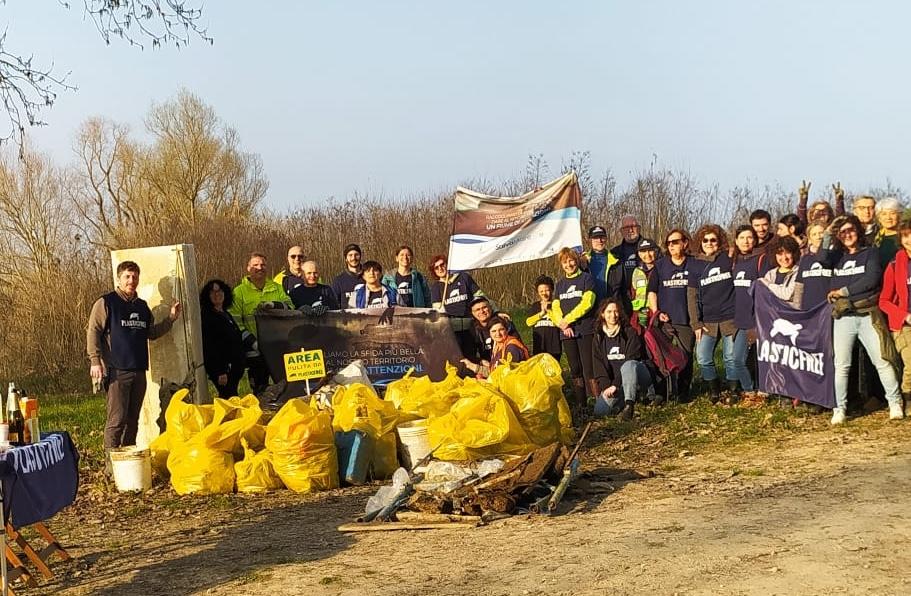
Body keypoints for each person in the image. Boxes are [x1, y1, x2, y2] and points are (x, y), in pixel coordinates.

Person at [87, 260, 182, 451]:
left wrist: (171, 319)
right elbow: (93, 331)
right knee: (117, 420)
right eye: (127, 277)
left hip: (139, 370)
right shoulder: (106, 302)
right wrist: (95, 361)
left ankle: (129, 459)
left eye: (135, 277)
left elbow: (151, 333)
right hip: (117, 370)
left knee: (133, 420)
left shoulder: (142, 307)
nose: (131, 280)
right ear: (119, 279)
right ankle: (112, 466)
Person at [821, 215, 903, 424]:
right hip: (843, 318)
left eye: (851, 230)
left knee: (882, 361)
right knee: (842, 365)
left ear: (858, 231)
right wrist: (829, 231)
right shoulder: (836, 256)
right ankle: (839, 409)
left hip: (867, 314)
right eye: (843, 232)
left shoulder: (870, 253)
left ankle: (895, 402)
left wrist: (843, 291)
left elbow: (872, 278)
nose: (847, 235)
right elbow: (821, 259)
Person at [688, 224, 750, 402]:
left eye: (713, 240)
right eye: (705, 240)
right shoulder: (695, 265)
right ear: (700, 242)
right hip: (707, 321)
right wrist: (696, 323)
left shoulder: (729, 258)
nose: (709, 243)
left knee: (730, 357)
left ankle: (733, 389)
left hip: (730, 318)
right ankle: (714, 389)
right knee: (702, 357)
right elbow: (691, 297)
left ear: (719, 241)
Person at [229, 252, 291, 395]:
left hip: (277, 347)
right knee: (260, 390)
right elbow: (235, 323)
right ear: (248, 268)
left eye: (262, 264)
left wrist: (273, 304)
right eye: (255, 265)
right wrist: (252, 342)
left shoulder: (276, 287)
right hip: (254, 350)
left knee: (285, 387)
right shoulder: (239, 292)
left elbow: (290, 307)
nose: (259, 268)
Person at [647, 228, 697, 401]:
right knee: (661, 356)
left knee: (686, 356)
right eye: (668, 243)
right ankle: (664, 391)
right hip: (664, 320)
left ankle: (683, 391)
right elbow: (651, 291)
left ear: (685, 242)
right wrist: (656, 312)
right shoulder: (660, 266)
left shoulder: (694, 263)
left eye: (675, 242)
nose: (671, 246)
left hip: (686, 319)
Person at [552, 247, 598, 418]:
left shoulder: (587, 279)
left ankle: (596, 401)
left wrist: (569, 319)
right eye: (565, 262)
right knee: (575, 368)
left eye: (571, 260)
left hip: (585, 329)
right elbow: (555, 307)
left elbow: (588, 302)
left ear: (577, 261)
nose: (569, 264)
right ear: (561, 265)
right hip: (567, 332)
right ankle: (581, 404)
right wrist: (562, 324)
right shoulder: (560, 284)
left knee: (589, 367)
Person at [591, 298, 654, 421]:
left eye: (616, 311)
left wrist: (615, 384)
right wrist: (607, 388)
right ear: (602, 314)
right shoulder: (598, 338)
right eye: (609, 312)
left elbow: (632, 359)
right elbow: (598, 367)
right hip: (616, 385)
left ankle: (630, 404)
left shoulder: (630, 332)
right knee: (600, 411)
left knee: (628, 365)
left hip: (638, 377)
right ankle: (622, 403)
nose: (613, 315)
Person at [878, 217, 911, 409]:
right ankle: (907, 398)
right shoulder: (894, 265)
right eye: (904, 236)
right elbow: (883, 301)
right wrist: (904, 315)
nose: (908, 240)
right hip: (903, 325)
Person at [428, 254, 486, 356]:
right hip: (453, 331)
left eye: (442, 265)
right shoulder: (436, 288)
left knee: (477, 356)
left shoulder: (464, 277)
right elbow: (438, 312)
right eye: (436, 268)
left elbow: (481, 298)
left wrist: (496, 312)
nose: (440, 269)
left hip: (472, 326)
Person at [199, 279, 245, 398]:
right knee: (228, 399)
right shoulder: (208, 317)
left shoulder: (225, 313)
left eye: (219, 291)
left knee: (232, 399)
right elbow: (210, 345)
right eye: (212, 292)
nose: (217, 295)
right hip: (222, 371)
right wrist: (220, 370)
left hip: (233, 369)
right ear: (207, 296)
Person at [732, 225, 759, 397]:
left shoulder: (760, 260)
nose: (746, 241)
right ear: (736, 241)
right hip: (739, 320)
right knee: (737, 359)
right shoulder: (734, 262)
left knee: (757, 360)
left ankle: (760, 390)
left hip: (756, 319)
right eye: (742, 237)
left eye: (749, 237)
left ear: (754, 240)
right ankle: (749, 390)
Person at [461, 316, 529, 377]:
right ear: (489, 333)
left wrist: (473, 367)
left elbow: (502, 376)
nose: (498, 334)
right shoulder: (497, 345)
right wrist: (471, 365)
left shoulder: (512, 348)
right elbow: (494, 372)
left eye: (501, 329)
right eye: (493, 331)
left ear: (507, 330)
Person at [465, 296, 517, 364]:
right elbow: (469, 353)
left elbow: (516, 344)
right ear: (473, 313)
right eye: (477, 310)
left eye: (484, 307)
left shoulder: (503, 322)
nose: (482, 311)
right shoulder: (473, 329)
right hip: (487, 365)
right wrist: (480, 361)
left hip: (507, 362)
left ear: (490, 308)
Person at [580, 225, 622, 305]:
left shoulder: (616, 261)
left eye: (602, 237)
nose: (599, 240)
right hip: (589, 309)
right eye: (595, 238)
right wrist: (580, 265)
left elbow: (621, 289)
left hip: (609, 309)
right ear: (590, 240)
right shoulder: (583, 261)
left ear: (606, 239)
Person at [795, 222, 832, 310]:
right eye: (814, 234)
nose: (818, 237)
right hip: (808, 309)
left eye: (821, 233)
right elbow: (799, 286)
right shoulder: (805, 259)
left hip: (827, 308)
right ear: (810, 239)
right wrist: (797, 308)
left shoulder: (835, 256)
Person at [758, 236, 803, 308]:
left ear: (794, 253)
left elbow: (787, 295)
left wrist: (768, 285)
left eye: (788, 253)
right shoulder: (770, 274)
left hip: (791, 315)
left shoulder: (799, 272)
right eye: (780, 254)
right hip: (772, 315)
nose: (784, 258)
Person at [525, 275, 562, 362]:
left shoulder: (556, 304)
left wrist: (548, 310)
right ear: (538, 292)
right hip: (539, 345)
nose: (544, 293)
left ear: (552, 290)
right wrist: (541, 314)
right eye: (541, 291)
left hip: (554, 346)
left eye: (547, 290)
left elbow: (559, 322)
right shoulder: (535, 306)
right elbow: (528, 322)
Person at [629, 238, 659, 327]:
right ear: (639, 254)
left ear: (655, 251)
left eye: (650, 250)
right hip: (639, 314)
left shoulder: (661, 269)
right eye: (643, 251)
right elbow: (632, 293)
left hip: (655, 312)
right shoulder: (636, 271)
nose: (647, 254)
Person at [611, 215, 644, 288]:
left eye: (633, 226)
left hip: (646, 296)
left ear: (639, 228)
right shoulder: (614, 253)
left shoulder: (652, 250)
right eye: (627, 227)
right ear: (621, 231)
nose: (631, 230)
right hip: (623, 297)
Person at [874, 197, 902, 265]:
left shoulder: (905, 236)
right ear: (879, 218)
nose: (888, 217)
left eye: (892, 213)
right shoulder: (875, 238)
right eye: (884, 214)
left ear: (899, 216)